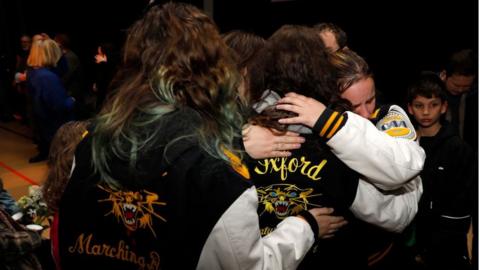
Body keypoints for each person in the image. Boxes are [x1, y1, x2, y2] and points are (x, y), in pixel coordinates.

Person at [57, 3, 344, 269]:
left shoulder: (90, 139)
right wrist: (305, 226)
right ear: (217, 68)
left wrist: (236, 142)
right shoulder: (216, 171)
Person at [247, 25, 421, 269]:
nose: (365, 112)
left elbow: (402, 197)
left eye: (370, 99)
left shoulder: (385, 118)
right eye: (353, 105)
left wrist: (333, 126)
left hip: (372, 252)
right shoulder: (258, 126)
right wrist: (241, 138)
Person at [406, 72, 475, 270]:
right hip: (409, 236)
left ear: (444, 107)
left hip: (444, 243)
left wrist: (439, 242)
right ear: (410, 108)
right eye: (419, 106)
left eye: (433, 105)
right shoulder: (403, 144)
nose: (426, 112)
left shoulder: (458, 149)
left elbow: (461, 203)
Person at [26, 38, 75, 163]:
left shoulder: (34, 72)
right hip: (56, 126)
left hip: (45, 123)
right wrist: (71, 100)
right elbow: (59, 106)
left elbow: (62, 69)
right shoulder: (47, 77)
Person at [439, 49, 477, 149]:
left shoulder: (474, 96)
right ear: (444, 75)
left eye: (466, 86)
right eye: (456, 85)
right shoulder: (430, 93)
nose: (460, 89)